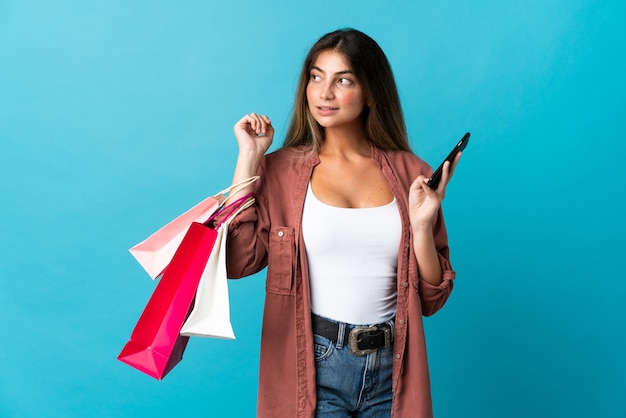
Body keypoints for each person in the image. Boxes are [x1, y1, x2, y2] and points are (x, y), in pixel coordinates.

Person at [224, 28, 460, 418]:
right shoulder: (281, 171)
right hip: (313, 368)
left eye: (343, 80)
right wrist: (249, 160)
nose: (324, 93)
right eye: (316, 77)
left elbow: (432, 298)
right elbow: (237, 260)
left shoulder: (411, 173)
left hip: (393, 369)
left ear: (371, 92)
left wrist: (420, 226)